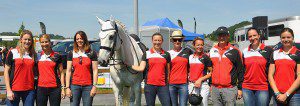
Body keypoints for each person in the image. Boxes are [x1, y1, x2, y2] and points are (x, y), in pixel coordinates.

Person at [131, 32, 171, 106]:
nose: (157, 42)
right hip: (149, 86)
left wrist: (167, 82)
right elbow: (141, 68)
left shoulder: (167, 54)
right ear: (152, 41)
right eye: (155, 40)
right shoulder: (146, 53)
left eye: (159, 40)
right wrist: (129, 65)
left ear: (162, 41)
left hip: (163, 86)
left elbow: (168, 71)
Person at [209, 26, 243, 106]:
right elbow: (211, 69)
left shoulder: (235, 51)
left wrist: (240, 88)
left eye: (224, 35)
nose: (222, 37)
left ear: (228, 36)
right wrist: (210, 84)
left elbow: (240, 70)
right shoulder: (212, 50)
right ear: (217, 37)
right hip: (215, 89)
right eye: (220, 35)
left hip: (230, 89)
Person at [4, 30, 37, 106]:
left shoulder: (34, 54)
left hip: (29, 90)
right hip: (14, 89)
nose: (27, 41)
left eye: (29, 39)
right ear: (21, 40)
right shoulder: (13, 52)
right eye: (25, 39)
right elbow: (6, 71)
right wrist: (8, 90)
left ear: (32, 41)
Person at [65, 31, 98, 106]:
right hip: (74, 86)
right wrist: (67, 87)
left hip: (88, 86)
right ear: (75, 41)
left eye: (81, 38)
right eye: (77, 39)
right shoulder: (71, 53)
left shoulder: (92, 53)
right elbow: (68, 71)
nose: (79, 40)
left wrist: (94, 86)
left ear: (85, 39)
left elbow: (95, 70)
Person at [241, 27, 273, 106]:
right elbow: (242, 69)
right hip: (247, 87)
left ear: (259, 36)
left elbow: (272, 70)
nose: (252, 38)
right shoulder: (245, 51)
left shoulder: (268, 50)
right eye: (250, 36)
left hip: (263, 87)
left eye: (254, 35)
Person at [268, 28, 300, 106]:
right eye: (283, 37)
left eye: (288, 37)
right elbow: (270, 75)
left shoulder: (298, 53)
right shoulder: (274, 53)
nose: (286, 40)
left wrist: (286, 94)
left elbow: (299, 76)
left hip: (294, 95)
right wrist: (277, 93)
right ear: (280, 39)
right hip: (277, 94)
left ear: (293, 38)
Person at [36, 34, 65, 106]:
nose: (44, 44)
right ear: (40, 43)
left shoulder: (57, 56)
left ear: (50, 42)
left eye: (46, 42)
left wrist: (63, 88)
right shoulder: (37, 56)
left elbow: (61, 73)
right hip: (40, 88)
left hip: (55, 88)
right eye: (42, 42)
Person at [168, 30, 192, 106]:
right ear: (172, 41)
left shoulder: (188, 51)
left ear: (182, 40)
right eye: (175, 40)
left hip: (183, 84)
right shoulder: (168, 54)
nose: (177, 41)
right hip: (171, 84)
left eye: (179, 39)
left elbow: (193, 65)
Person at [188, 37, 212, 106]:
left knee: (203, 104)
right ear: (194, 45)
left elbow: (211, 72)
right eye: (198, 45)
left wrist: (200, 79)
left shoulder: (206, 57)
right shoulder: (190, 57)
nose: (200, 47)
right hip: (192, 85)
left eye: (201, 45)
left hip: (203, 86)